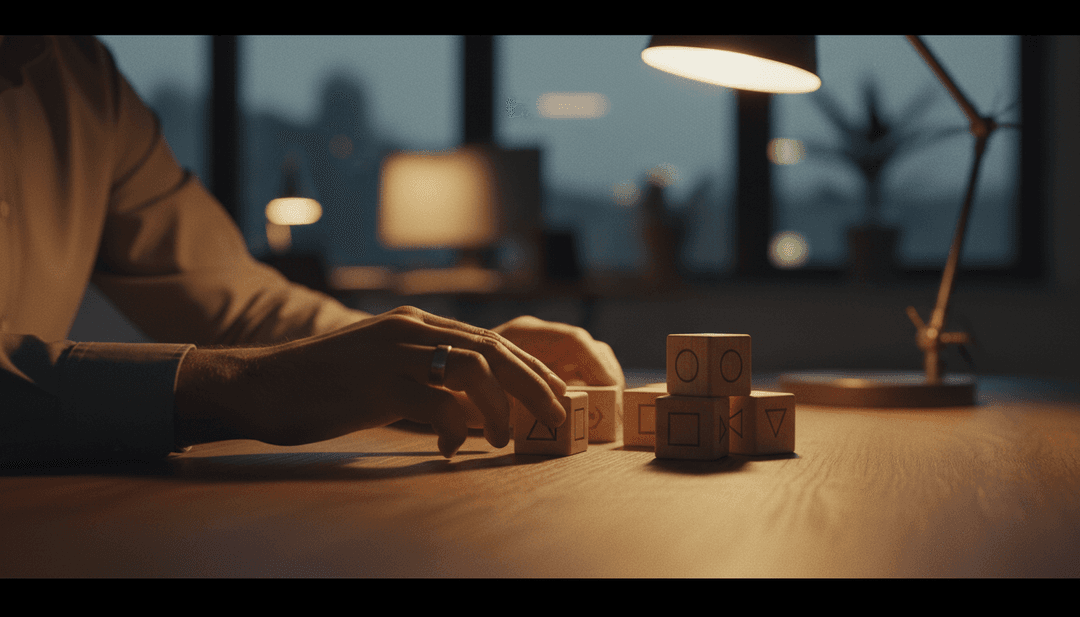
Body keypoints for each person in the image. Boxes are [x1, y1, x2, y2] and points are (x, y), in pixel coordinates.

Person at [0, 35, 623, 463]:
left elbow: (233, 298)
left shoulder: (77, 75)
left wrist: (439, 355)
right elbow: (263, 365)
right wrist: (243, 387)